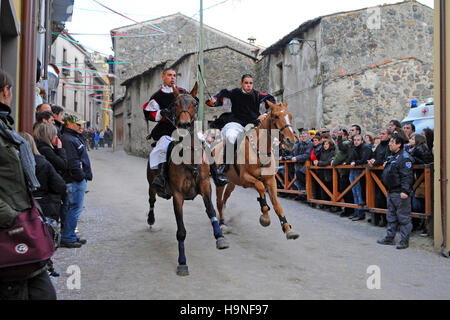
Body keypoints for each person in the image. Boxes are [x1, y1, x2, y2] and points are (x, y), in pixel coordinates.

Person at [0, 68, 57, 300]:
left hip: (21, 226)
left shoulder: (5, 128)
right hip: (11, 229)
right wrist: (11, 217)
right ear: (6, 92)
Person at [207, 74, 276, 173]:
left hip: (253, 124)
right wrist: (215, 101)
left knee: (265, 138)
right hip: (236, 123)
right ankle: (225, 166)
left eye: (251, 83)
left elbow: (271, 101)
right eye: (246, 83)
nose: (249, 85)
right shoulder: (234, 93)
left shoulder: (257, 95)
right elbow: (221, 98)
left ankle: (267, 165)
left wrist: (264, 115)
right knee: (230, 137)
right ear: (241, 84)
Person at [377, 135, 414, 249]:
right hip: (391, 191)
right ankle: (389, 237)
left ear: (399, 144)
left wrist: (405, 191)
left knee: (403, 217)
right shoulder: (392, 157)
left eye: (392, 142)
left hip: (399, 192)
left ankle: (404, 240)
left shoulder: (404, 157)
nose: (389, 144)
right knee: (391, 216)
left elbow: (407, 176)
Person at [60, 115, 91, 248]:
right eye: (78, 125)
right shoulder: (68, 139)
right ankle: (68, 237)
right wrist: (81, 176)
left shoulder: (72, 138)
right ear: (69, 124)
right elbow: (72, 162)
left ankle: (70, 234)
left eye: (81, 125)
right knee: (74, 209)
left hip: (75, 179)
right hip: (74, 180)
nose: (81, 127)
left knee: (71, 208)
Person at [348, 134, 372, 221]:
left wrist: (355, 162)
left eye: (358, 140)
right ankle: (356, 211)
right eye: (355, 140)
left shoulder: (365, 147)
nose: (356, 141)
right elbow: (350, 158)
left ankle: (360, 213)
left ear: (362, 141)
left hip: (360, 171)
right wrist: (353, 161)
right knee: (354, 191)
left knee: (359, 192)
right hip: (354, 170)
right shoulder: (353, 147)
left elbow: (364, 159)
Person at [331, 128, 354, 217]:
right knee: (343, 191)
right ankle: (347, 209)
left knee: (346, 191)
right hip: (341, 171)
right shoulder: (340, 143)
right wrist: (333, 159)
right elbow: (335, 155)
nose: (336, 134)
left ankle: (349, 209)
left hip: (345, 171)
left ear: (344, 135)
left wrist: (334, 162)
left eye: (339, 133)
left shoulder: (346, 143)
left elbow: (340, 156)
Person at [292, 131, 313, 195]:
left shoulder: (310, 144)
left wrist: (297, 158)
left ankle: (307, 194)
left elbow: (307, 155)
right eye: (302, 136)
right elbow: (295, 154)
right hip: (298, 164)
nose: (303, 138)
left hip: (306, 165)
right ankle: (301, 194)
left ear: (307, 136)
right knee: (298, 180)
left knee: (306, 180)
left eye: (305, 136)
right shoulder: (300, 144)